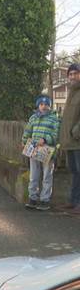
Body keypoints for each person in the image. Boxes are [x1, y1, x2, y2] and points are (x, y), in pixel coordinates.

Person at [22, 95, 60, 211]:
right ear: (38, 105)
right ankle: (32, 198)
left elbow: (56, 134)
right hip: (33, 150)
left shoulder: (54, 118)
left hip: (47, 151)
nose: (44, 106)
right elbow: (28, 130)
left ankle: (45, 200)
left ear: (50, 106)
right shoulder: (33, 117)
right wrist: (24, 141)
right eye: (41, 104)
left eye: (46, 104)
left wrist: (45, 139)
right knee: (33, 175)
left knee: (47, 176)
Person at [59, 63, 80, 215]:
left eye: (75, 73)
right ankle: (73, 202)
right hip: (70, 142)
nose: (72, 76)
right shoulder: (71, 92)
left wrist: (76, 131)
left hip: (78, 140)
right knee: (74, 172)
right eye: (70, 74)